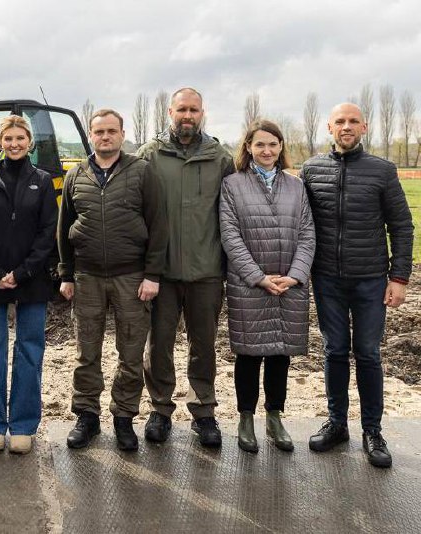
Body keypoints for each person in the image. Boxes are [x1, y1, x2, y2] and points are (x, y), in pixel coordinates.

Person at [302, 102, 413, 468]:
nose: (346, 126)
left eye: (353, 121)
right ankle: (337, 424)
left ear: (364, 127)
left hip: (369, 279)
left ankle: (372, 431)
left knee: (367, 353)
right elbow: (300, 225)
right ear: (328, 128)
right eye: (340, 121)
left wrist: (398, 278)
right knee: (334, 351)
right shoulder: (311, 170)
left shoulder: (382, 170)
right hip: (327, 279)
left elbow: (401, 226)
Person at [58, 109, 167, 451]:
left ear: (122, 134)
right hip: (87, 277)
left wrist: (152, 275)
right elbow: (63, 229)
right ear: (91, 136)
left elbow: (159, 226)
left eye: (111, 131)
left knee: (131, 353)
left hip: (131, 277)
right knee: (86, 352)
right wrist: (65, 273)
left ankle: (123, 417)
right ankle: (86, 416)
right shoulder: (76, 175)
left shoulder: (142, 172)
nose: (105, 137)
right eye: (99, 132)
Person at [136, 88, 235, 448]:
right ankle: (160, 410)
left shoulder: (220, 158)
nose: (187, 116)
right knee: (158, 344)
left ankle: (204, 411)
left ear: (202, 112)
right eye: (181, 109)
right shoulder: (149, 156)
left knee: (203, 344)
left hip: (207, 270)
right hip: (161, 272)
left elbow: (233, 214)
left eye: (193, 110)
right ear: (169, 112)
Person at [219, 120, 315, 454]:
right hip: (250, 285)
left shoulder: (296, 186)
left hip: (289, 284)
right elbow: (230, 235)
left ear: (281, 147)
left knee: (280, 355)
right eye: (260, 144)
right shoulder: (232, 185)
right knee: (248, 355)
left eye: (273, 144)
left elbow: (307, 233)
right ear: (248, 147)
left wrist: (296, 274)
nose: (267, 151)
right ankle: (246, 419)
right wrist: (257, 276)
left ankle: (275, 417)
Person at [0, 115, 58, 454]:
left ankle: (23, 425)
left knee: (29, 350)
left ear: (30, 142)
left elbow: (46, 233)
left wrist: (21, 273)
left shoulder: (43, 180)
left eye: (21, 138)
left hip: (32, 279)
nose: (15, 144)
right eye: (8, 138)